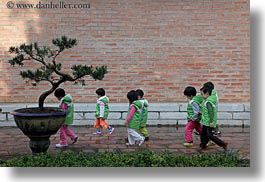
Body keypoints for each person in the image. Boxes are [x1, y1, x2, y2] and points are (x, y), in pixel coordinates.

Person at [198, 86, 228, 151]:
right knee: (203, 134)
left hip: (209, 122)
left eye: (202, 94)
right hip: (205, 121)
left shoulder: (208, 102)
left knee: (209, 135)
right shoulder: (205, 101)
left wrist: (211, 122)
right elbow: (205, 110)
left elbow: (211, 113)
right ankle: (203, 145)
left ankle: (222, 144)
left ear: (207, 94)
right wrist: (201, 112)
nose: (201, 96)